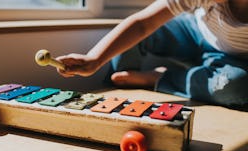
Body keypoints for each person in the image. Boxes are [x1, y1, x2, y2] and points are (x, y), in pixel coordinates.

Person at [56, 0, 248, 109]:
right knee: (129, 37)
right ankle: (114, 100)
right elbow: (143, 23)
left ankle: (158, 78)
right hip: (193, 31)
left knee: (235, 86)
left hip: (232, 58)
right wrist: (94, 58)